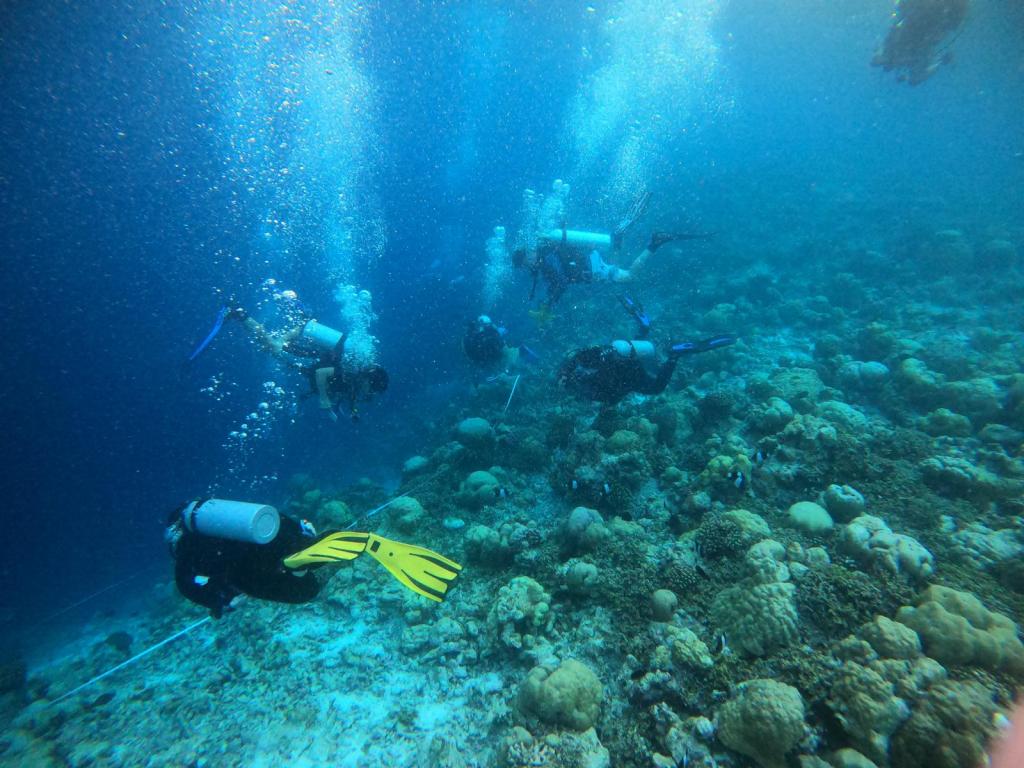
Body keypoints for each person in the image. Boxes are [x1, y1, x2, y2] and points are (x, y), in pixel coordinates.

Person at [166, 498, 462, 617]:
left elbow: (186, 586)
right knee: (297, 553)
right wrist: (300, 531)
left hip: (246, 568)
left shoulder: (186, 549)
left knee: (304, 591)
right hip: (272, 532)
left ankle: (294, 564)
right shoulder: (223, 517)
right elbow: (270, 516)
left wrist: (219, 602)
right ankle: (300, 556)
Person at [225, 306, 389, 421]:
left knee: (274, 345)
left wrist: (353, 412)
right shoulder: (352, 372)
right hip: (310, 359)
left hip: (310, 361)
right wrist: (324, 400)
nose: (371, 393)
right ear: (368, 380)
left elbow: (350, 395)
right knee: (272, 346)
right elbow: (321, 373)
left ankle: (303, 321)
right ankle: (240, 314)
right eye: (373, 389)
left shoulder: (356, 379)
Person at [513, 229, 712, 310]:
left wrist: (550, 302)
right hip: (589, 262)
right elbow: (562, 271)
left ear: (527, 257)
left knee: (627, 277)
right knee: (625, 275)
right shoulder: (547, 251)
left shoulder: (545, 258)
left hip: (590, 269)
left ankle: (647, 243)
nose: (527, 267)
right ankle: (649, 243)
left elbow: (561, 282)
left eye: (524, 263)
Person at [558, 335, 735, 405]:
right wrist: (566, 374)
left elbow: (612, 397)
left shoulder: (591, 388)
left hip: (627, 373)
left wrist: (568, 377)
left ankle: (674, 355)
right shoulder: (592, 356)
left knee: (656, 387)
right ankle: (644, 327)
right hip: (625, 359)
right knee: (651, 378)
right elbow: (576, 356)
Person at [871, 0, 969, 85]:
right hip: (923, 31)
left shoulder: (898, 44)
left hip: (920, 30)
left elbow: (900, 14)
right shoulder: (920, 51)